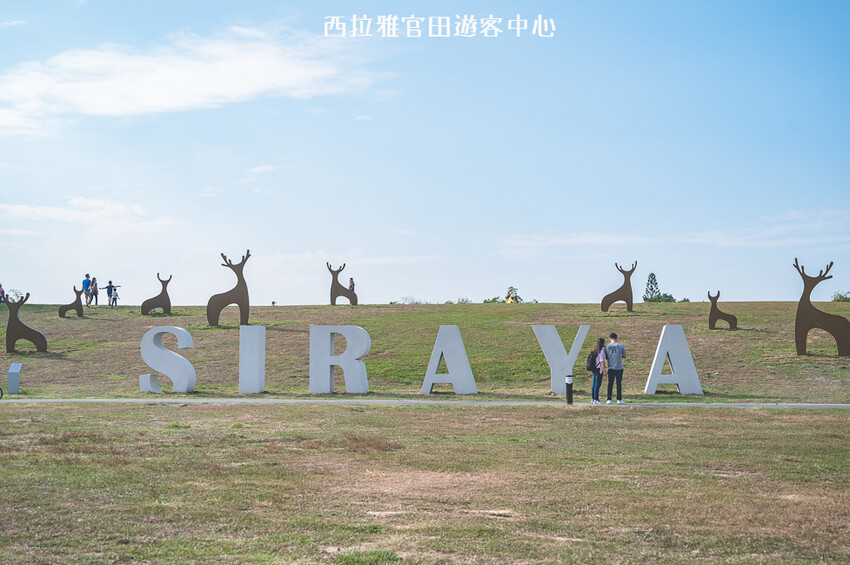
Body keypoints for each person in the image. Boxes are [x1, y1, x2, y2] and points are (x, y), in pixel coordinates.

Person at [605, 332, 627, 405]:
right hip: (619, 367)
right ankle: (619, 399)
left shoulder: (607, 346)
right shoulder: (620, 346)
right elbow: (624, 356)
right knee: (619, 384)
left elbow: (606, 357)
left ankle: (609, 399)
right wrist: (620, 355)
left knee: (610, 384)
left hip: (610, 367)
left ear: (610, 339)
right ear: (616, 338)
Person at [590, 337, 607, 405]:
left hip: (594, 369)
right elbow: (601, 362)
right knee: (597, 384)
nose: (605, 343)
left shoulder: (595, 350)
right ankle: (596, 399)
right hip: (599, 369)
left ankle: (593, 399)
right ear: (602, 343)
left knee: (594, 384)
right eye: (604, 342)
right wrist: (604, 371)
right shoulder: (601, 351)